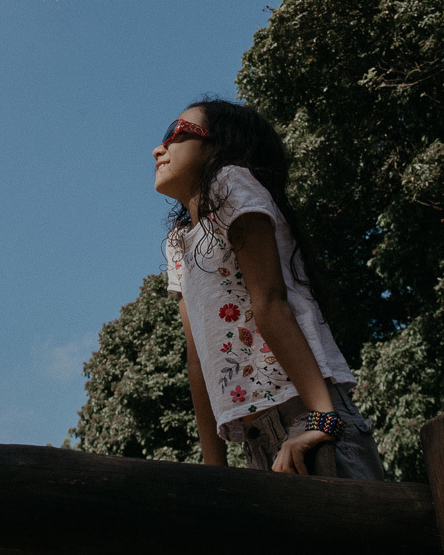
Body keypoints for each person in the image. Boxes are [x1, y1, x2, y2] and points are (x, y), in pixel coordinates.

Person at [154, 98, 383, 478]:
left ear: (220, 145)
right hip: (255, 439)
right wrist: (215, 471)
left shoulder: (229, 183)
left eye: (177, 133)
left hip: (309, 409)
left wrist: (322, 421)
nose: (159, 147)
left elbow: (271, 303)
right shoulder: (179, 243)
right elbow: (198, 361)